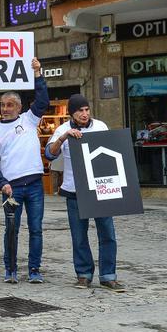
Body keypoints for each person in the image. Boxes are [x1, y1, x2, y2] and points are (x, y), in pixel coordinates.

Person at [46, 94, 126, 293]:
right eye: (79, 111)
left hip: (100, 188)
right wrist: (65, 137)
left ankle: (108, 276)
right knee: (79, 235)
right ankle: (83, 274)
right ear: (72, 113)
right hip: (75, 189)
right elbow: (49, 153)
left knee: (108, 233)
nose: (84, 114)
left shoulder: (100, 126)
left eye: (86, 110)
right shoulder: (62, 130)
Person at [0, 58, 48, 284]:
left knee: (36, 229)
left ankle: (34, 270)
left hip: (34, 186)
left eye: (10, 104)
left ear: (19, 107)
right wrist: (1, 182)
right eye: (2, 105)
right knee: (11, 230)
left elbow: (43, 100)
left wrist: (38, 74)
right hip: (11, 189)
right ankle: (10, 269)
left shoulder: (29, 120)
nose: (5, 108)